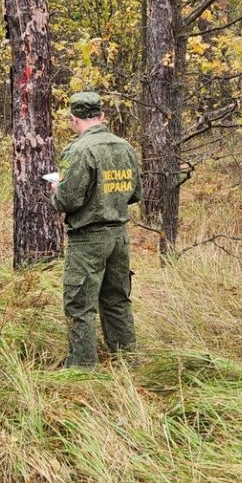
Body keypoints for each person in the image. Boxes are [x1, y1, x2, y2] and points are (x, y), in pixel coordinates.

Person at [51, 91, 142, 368]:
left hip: (88, 238)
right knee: (117, 299)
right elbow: (135, 193)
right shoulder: (124, 147)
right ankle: (126, 360)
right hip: (119, 236)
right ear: (102, 116)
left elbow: (68, 200)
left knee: (79, 304)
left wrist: (57, 189)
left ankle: (82, 366)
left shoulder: (76, 151)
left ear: (72, 120)